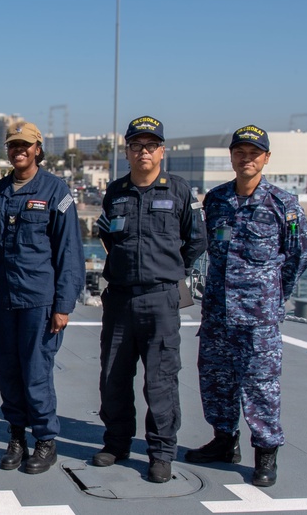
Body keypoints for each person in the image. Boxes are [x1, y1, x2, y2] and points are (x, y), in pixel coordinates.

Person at [185, 125, 307, 487]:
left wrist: (273, 293)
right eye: (240, 152)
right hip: (218, 313)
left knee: (260, 386)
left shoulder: (282, 205)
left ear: (266, 159)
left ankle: (266, 453)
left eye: (254, 153)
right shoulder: (217, 199)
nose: (246, 158)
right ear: (231, 157)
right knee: (215, 380)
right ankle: (224, 441)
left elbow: (299, 256)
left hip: (259, 318)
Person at [93, 116, 207, 483]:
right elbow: (109, 237)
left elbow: (197, 240)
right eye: (136, 145)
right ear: (127, 151)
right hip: (120, 299)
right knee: (113, 376)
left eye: (150, 145)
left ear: (162, 151)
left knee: (160, 379)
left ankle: (160, 452)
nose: (144, 151)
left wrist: (173, 271)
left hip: (161, 299)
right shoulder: (115, 191)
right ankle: (117, 442)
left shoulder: (178, 190)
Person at [0, 121, 85, 474]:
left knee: (36, 373)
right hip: (0, 301)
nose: (19, 151)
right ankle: (16, 437)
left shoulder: (56, 191)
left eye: (25, 145)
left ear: (38, 149)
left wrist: (63, 305)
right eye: (13, 146)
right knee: (6, 372)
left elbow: (69, 252)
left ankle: (45, 440)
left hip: (38, 301)